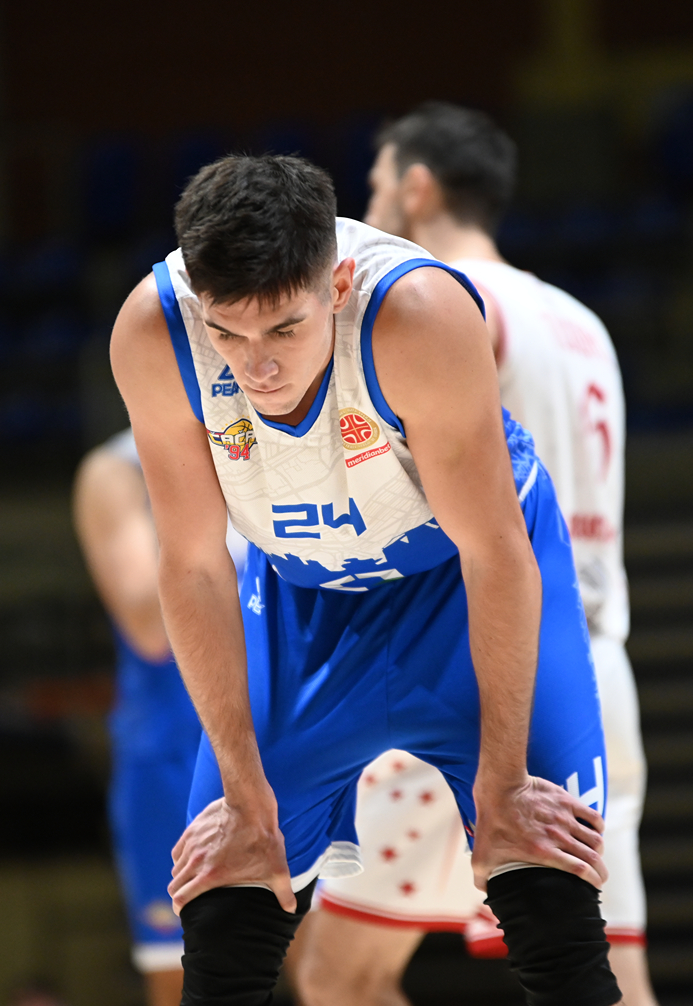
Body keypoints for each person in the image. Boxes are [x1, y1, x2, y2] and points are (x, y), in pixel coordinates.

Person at [110, 153, 623, 1006]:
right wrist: (241, 787)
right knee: (228, 901)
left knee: (547, 891)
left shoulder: (420, 312)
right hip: (303, 599)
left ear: (339, 285)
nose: (257, 367)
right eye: (228, 334)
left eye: (284, 330)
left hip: (458, 584)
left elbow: (495, 549)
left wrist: (502, 784)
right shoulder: (153, 332)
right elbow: (193, 564)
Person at [290, 103, 657, 1006]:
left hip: (486, 673)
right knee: (612, 975)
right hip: (601, 677)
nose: (369, 207)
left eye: (377, 184)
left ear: (417, 187)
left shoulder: (446, 300)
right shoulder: (580, 321)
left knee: (338, 977)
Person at [72, 430, 248, 1006]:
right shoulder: (115, 469)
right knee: (185, 978)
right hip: (178, 753)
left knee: (333, 966)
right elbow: (149, 626)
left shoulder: (289, 421)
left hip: (293, 732)